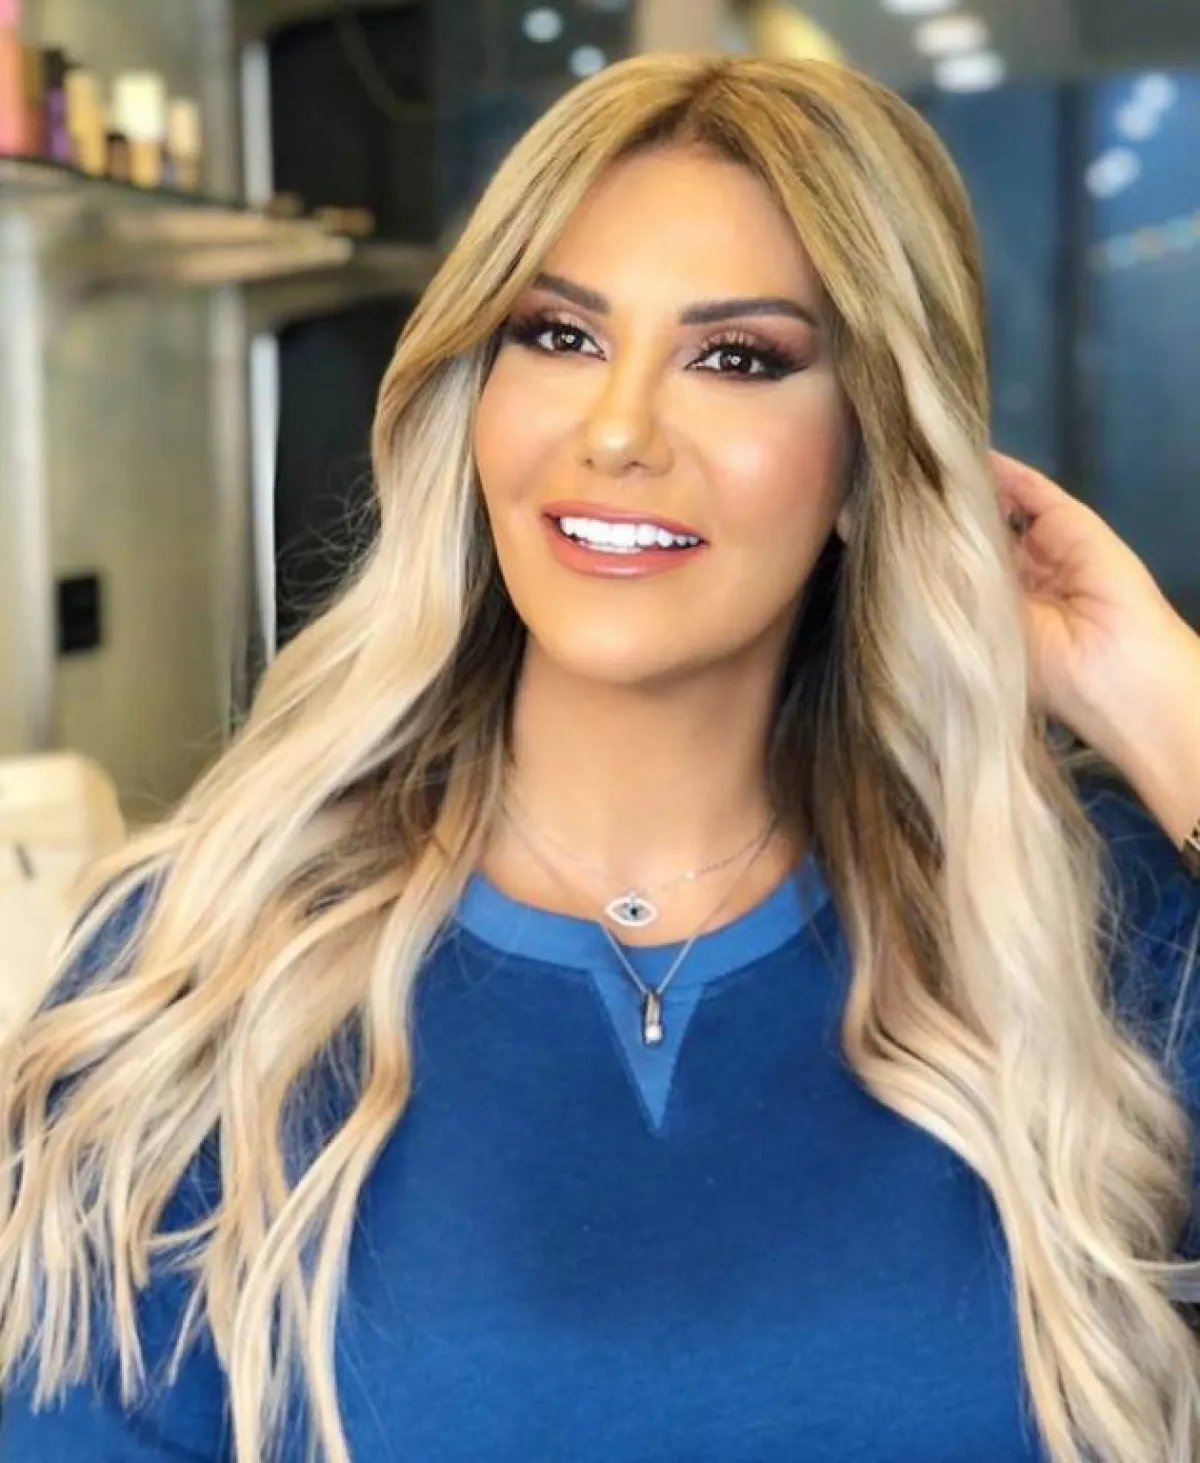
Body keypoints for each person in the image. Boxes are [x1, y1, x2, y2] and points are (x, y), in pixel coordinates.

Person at [1, 51, 1199, 1463]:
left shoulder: (1085, 940)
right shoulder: (200, 971)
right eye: (559, 336)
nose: (619, 430)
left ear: (873, 454)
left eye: (736, 358)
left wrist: (1159, 696)